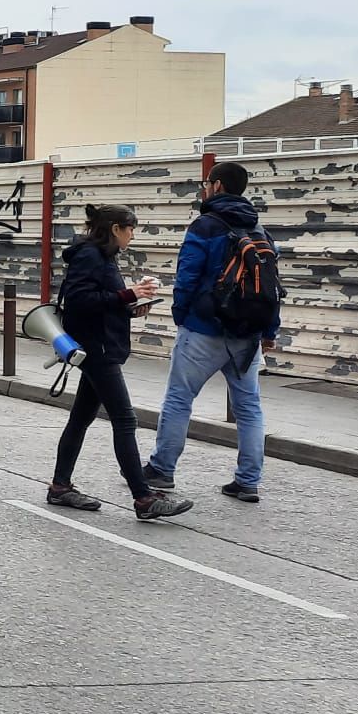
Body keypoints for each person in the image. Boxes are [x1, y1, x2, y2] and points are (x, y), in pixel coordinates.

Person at [46, 205, 196, 520]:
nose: (132, 235)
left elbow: (103, 300)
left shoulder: (103, 255)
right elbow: (79, 301)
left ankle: (60, 487)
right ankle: (143, 497)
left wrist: (131, 306)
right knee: (125, 420)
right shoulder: (89, 255)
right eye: (130, 229)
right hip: (97, 348)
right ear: (115, 228)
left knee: (81, 418)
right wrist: (127, 295)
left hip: (102, 345)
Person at [143, 162, 278, 502]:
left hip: (203, 330)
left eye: (207, 183)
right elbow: (272, 286)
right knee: (249, 407)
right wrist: (269, 330)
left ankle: (162, 470)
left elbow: (187, 275)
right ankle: (248, 481)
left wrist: (180, 315)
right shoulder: (259, 229)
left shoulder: (204, 225)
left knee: (179, 398)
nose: (204, 188)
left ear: (217, 186)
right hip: (247, 335)